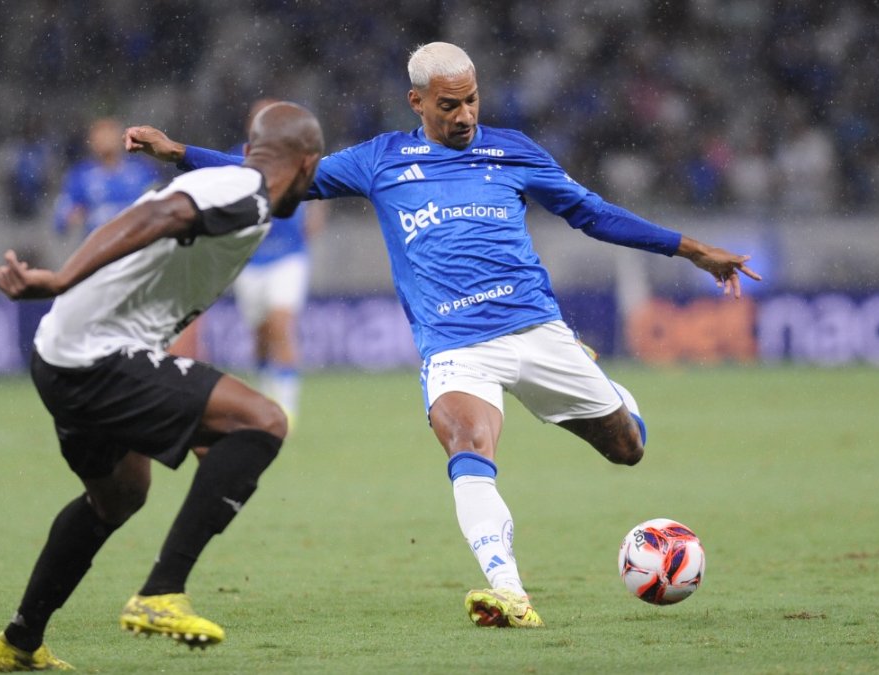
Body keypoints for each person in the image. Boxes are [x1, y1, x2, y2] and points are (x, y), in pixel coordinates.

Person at [126, 42, 761, 630]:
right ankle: (509, 592)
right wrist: (180, 154)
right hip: (455, 346)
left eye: (472, 101)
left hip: (536, 330)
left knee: (627, 448)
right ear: (418, 101)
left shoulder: (513, 151)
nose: (464, 116)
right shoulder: (379, 160)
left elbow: (591, 214)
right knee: (468, 444)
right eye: (449, 105)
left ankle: (607, 387)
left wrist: (691, 249)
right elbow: (270, 177)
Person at [0, 101, 323, 671]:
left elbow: (160, 218)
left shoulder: (231, 184)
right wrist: (62, 277)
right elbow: (160, 216)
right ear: (308, 165)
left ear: (250, 151)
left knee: (118, 495)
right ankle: (162, 592)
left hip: (61, 354)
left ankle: (18, 642)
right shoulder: (247, 193)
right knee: (263, 420)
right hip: (96, 357)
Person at [226, 98, 327, 423]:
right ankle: (265, 390)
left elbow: (321, 188)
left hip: (288, 257)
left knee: (281, 326)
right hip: (250, 259)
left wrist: (315, 218)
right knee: (260, 335)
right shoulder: (236, 159)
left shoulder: (300, 154)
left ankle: (285, 409)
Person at [52, 117, 163, 239]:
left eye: (110, 134)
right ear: (91, 141)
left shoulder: (141, 170)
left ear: (121, 138)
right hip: (101, 244)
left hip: (140, 241)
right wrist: (73, 215)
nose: (106, 140)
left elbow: (161, 201)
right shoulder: (80, 175)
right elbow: (61, 217)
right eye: (100, 136)